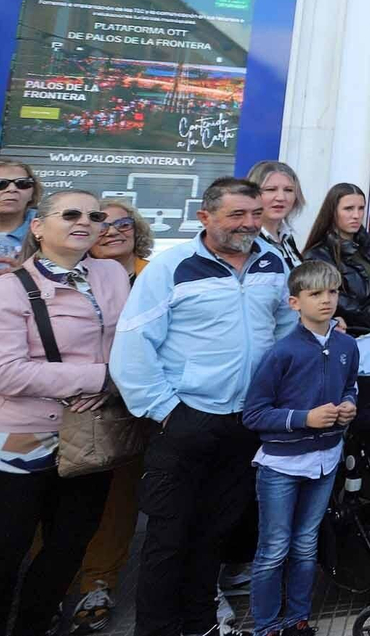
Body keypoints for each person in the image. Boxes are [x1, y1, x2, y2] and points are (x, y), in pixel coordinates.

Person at [110, 177, 296, 636]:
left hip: (245, 422)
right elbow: (132, 347)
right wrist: (167, 412)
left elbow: (287, 330)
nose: (249, 224)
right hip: (184, 421)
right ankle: (155, 630)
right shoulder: (171, 267)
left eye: (255, 214)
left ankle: (199, 625)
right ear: (205, 217)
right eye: (237, 215)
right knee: (168, 539)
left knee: (214, 534)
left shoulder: (273, 262)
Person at [0, 190, 129, 636]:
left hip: (92, 434)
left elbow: (130, 343)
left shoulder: (112, 272)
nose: (87, 222)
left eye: (95, 216)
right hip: (23, 436)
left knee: (69, 545)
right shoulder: (8, 287)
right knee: (8, 548)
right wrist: (98, 377)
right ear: (38, 226)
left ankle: (33, 626)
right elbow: (8, 373)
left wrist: (116, 383)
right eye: (71, 214)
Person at [240, 260, 357, 636]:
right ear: (294, 303)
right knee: (274, 547)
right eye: (315, 294)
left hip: (326, 459)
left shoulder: (346, 345)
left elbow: (350, 384)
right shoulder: (282, 352)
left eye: (333, 292)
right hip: (281, 464)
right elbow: (254, 414)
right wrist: (303, 418)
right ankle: (266, 626)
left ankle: (297, 619)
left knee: (306, 544)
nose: (326, 301)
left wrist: (349, 405)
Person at [70, 200, 154, 633]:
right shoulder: (66, 274)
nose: (113, 230)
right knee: (60, 497)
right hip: (70, 401)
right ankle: (48, 584)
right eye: (103, 223)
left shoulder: (155, 275)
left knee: (119, 498)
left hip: (131, 405)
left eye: (123, 223)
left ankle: (98, 581)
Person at [303, 183, 370, 334]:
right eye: (348, 209)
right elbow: (337, 300)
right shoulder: (318, 254)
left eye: (361, 208)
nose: (356, 215)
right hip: (347, 331)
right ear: (332, 211)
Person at [247, 161, 306, 271]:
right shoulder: (245, 240)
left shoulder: (286, 237)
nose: (281, 197)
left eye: (288, 190)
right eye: (270, 190)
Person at [0, 159, 41, 270]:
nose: (12, 189)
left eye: (23, 183)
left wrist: (29, 274)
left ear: (33, 193)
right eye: (0, 184)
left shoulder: (51, 228)